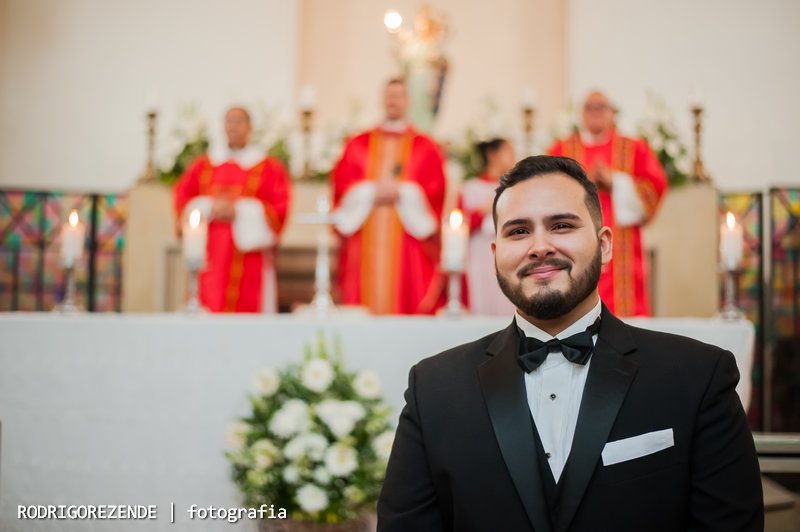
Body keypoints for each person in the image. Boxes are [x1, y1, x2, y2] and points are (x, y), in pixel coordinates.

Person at [378, 155, 763, 531]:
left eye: (561, 225)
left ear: (605, 245)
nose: (540, 246)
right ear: (496, 255)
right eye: (518, 231)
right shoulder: (433, 389)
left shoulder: (698, 377)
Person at [331, 78, 446, 314]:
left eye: (398, 95)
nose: (393, 100)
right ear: (382, 99)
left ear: (407, 102)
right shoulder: (357, 144)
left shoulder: (425, 147)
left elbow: (435, 192)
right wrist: (369, 191)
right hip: (364, 237)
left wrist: (404, 192)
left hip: (407, 241)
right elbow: (341, 187)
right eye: (389, 95)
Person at [548, 91, 667, 316]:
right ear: (581, 114)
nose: (596, 113)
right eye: (590, 108)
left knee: (625, 314)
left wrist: (617, 181)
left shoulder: (633, 148)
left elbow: (656, 185)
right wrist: (583, 180)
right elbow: (546, 187)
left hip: (624, 246)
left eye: (601, 107)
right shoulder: (562, 149)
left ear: (612, 112)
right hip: (575, 239)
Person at [174, 106, 291, 313]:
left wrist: (240, 211)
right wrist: (210, 207)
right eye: (229, 121)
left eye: (239, 122)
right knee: (209, 307)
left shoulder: (268, 168)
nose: (233, 127)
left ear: (250, 127)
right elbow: (183, 199)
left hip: (250, 258)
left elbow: (279, 209)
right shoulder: (203, 165)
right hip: (211, 254)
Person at [458, 138, 516, 315]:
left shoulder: (516, 189)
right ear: (492, 154)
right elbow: (458, 226)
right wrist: (481, 211)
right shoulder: (470, 188)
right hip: (478, 255)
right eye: (509, 151)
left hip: (508, 253)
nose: (514, 157)